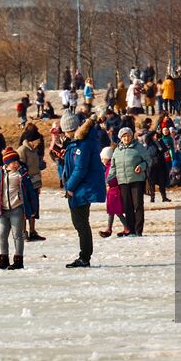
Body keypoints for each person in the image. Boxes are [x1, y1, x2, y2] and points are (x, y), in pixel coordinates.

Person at [57, 111, 106, 268]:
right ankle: (84, 256)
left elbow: (80, 168)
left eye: (65, 130)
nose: (64, 133)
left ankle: (84, 257)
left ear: (70, 129)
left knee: (81, 223)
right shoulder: (77, 142)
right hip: (79, 188)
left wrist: (69, 187)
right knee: (80, 223)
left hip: (81, 189)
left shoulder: (82, 143)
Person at [0, 149, 38, 270]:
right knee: (2, 235)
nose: (16, 164)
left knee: (18, 235)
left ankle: (18, 261)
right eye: (14, 162)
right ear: (7, 163)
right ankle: (3, 260)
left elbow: (31, 192)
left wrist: (34, 208)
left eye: (17, 161)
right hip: (3, 210)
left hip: (17, 209)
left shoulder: (22, 174)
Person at [109, 126, 151, 237]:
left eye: (128, 136)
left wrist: (141, 166)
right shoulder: (117, 150)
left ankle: (138, 230)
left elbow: (148, 160)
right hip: (123, 182)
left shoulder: (139, 147)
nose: (126, 138)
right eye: (124, 136)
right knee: (127, 206)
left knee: (137, 205)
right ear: (120, 138)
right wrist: (107, 181)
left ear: (132, 136)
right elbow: (113, 167)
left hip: (137, 180)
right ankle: (130, 230)